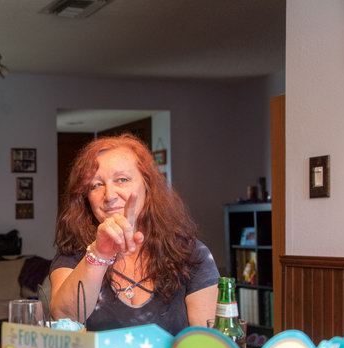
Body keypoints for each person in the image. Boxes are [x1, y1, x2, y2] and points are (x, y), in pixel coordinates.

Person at [50, 134, 218, 335]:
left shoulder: (190, 253)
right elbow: (64, 317)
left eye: (122, 180)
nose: (109, 195)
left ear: (148, 185)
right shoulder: (74, 253)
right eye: (96, 185)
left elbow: (208, 342)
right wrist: (100, 254)